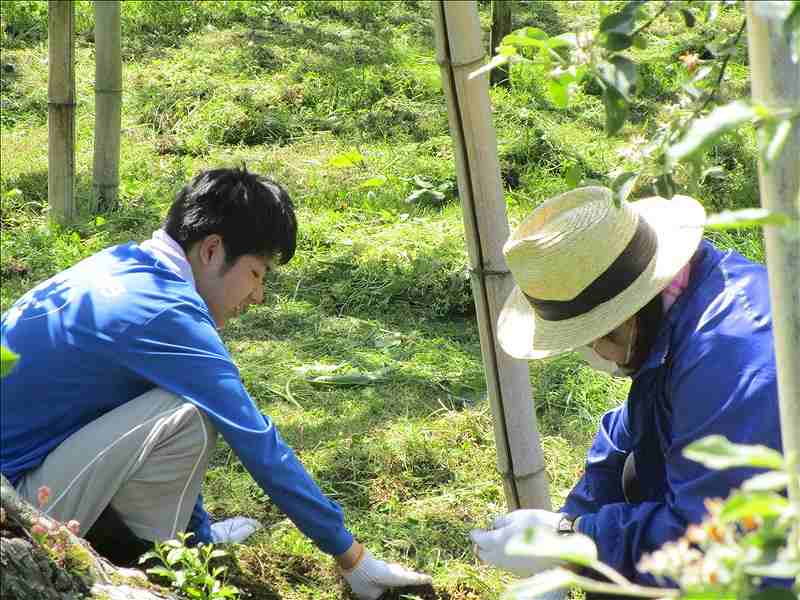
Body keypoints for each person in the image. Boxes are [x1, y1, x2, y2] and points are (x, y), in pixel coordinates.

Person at [1, 167, 430, 599]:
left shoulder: (121, 264)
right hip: (14, 517)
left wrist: (201, 533)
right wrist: (353, 558)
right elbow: (259, 444)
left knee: (181, 403)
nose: (258, 296)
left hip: (23, 480)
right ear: (211, 250)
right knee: (191, 413)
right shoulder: (167, 313)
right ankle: (165, 566)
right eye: (257, 273)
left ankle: (183, 547)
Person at [469, 186, 782, 587]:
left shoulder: (736, 359)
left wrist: (577, 542)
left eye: (598, 335)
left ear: (633, 308)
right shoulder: (684, 303)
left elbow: (717, 541)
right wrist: (570, 523)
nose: (597, 350)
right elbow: (628, 430)